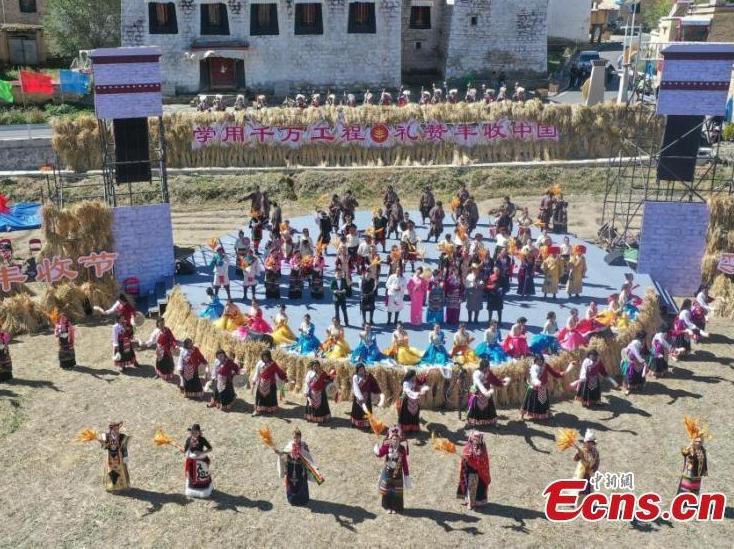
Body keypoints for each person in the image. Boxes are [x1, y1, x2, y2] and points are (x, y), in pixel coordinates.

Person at [276, 428, 324, 506]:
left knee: (301, 484)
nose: (295, 439)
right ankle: (292, 499)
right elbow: (285, 454)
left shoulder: (303, 445)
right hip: (291, 469)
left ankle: (302, 499)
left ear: (300, 437)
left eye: (297, 437)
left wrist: (301, 456)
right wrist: (280, 453)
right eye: (294, 437)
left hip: (300, 469)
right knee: (291, 484)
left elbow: (307, 456)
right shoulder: (289, 445)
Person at [520, 354, 573, 420]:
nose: (539, 362)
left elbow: (555, 374)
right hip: (533, 388)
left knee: (543, 402)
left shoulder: (546, 366)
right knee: (528, 403)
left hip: (543, 388)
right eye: (538, 361)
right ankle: (522, 416)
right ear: (535, 361)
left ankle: (542, 415)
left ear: (543, 361)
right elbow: (534, 376)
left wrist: (567, 370)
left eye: (541, 361)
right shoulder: (534, 367)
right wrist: (536, 382)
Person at [374, 426, 411, 514]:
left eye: (396, 439)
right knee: (387, 491)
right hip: (388, 472)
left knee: (396, 492)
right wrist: (377, 450)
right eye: (393, 439)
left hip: (397, 473)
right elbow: (380, 454)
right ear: (391, 439)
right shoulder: (387, 447)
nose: (395, 441)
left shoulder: (402, 449)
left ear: (399, 440)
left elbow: (405, 463)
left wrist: (406, 474)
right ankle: (388, 507)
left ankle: (395, 507)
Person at [467, 359, 510, 427]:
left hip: (486, 391)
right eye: (488, 367)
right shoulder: (476, 373)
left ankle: (490, 421)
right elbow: (479, 384)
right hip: (477, 391)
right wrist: (485, 392)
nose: (489, 368)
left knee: (489, 405)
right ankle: (471, 422)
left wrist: (502, 383)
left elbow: (495, 380)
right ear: (484, 367)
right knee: (474, 404)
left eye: (489, 366)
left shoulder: (488, 372)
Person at [457, 431, 491, 510]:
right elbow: (465, 453)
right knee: (466, 486)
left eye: (477, 439)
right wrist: (465, 458)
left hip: (477, 473)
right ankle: (467, 500)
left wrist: (471, 461)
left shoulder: (482, 449)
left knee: (473, 487)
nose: (475, 440)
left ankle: (471, 503)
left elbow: (481, 461)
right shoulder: (468, 445)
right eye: (474, 438)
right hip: (468, 470)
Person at [252, 350, 288, 415]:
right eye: (263, 357)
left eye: (266, 357)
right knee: (259, 397)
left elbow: (279, 371)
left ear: (269, 357)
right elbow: (257, 372)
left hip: (271, 384)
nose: (265, 358)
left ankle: (270, 409)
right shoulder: (260, 363)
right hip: (261, 384)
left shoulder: (273, 364)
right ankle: (258, 410)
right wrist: (254, 380)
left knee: (271, 397)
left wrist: (284, 377)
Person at [678, 418, 708, 495]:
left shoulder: (702, 449)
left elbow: (703, 461)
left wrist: (704, 471)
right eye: (697, 441)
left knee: (695, 490)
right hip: (689, 473)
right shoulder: (691, 449)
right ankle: (682, 501)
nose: (699, 442)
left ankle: (693, 500)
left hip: (698, 473)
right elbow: (684, 453)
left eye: (701, 441)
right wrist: (689, 447)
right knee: (685, 489)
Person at [99, 420, 130, 492]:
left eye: (118, 429)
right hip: (110, 458)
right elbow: (104, 448)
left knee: (120, 471)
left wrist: (125, 458)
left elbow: (124, 448)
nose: (117, 430)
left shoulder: (122, 436)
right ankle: (112, 486)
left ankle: (121, 486)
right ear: (111, 429)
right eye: (115, 429)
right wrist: (102, 442)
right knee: (111, 471)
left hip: (119, 457)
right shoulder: (106, 436)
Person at [184, 424, 213, 498]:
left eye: (196, 432)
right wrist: (187, 454)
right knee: (192, 475)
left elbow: (210, 448)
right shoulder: (188, 439)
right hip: (192, 461)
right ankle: (192, 490)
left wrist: (201, 453)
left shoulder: (202, 439)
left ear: (199, 432)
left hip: (201, 461)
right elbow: (186, 450)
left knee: (201, 476)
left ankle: (204, 490)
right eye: (193, 432)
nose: (194, 434)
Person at [351, 362, 384, 429]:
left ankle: (366, 424)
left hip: (367, 397)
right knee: (358, 411)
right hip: (358, 398)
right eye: (360, 369)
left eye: (363, 369)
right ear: (357, 370)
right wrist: (360, 397)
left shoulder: (368, 376)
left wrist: (378, 391)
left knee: (366, 411)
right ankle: (357, 423)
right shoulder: (355, 377)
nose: (362, 371)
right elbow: (356, 388)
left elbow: (374, 384)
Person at [573, 430, 600, 504]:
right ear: (586, 443)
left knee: (588, 490)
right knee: (579, 489)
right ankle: (576, 503)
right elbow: (575, 459)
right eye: (589, 443)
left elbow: (597, 462)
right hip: (581, 473)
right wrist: (578, 454)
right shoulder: (582, 450)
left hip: (589, 474)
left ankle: (588, 504)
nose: (590, 444)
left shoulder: (595, 451)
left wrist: (593, 469)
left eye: (591, 443)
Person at [620, 331, 648, 395]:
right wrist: (642, 361)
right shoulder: (635, 343)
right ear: (642, 338)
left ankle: (636, 385)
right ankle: (628, 388)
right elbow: (636, 353)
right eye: (645, 337)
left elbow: (641, 352)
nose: (645, 339)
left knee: (638, 372)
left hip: (636, 360)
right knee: (630, 374)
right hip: (630, 360)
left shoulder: (640, 342)